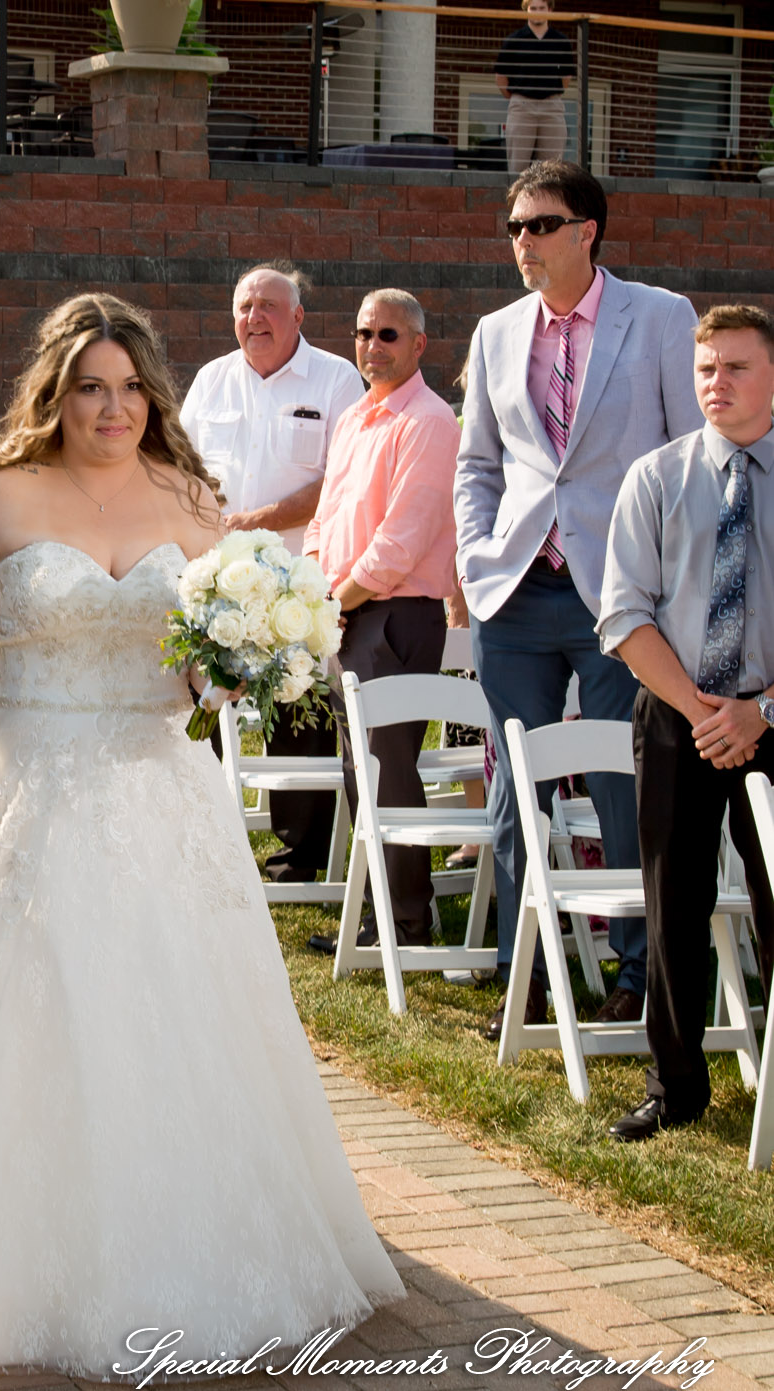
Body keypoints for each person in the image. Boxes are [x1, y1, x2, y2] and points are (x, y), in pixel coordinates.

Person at [0, 293, 405, 1377]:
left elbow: (203, 651)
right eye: (91, 387)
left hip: (161, 792)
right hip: (28, 786)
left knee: (180, 1022)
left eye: (132, 387)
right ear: (56, 393)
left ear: (156, 393)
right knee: (25, 1017)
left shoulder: (192, 499)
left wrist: (246, 656)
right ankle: (8, 1257)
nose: (113, 408)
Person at [454, 160, 699, 1044]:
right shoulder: (494, 331)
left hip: (621, 602)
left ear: (587, 230)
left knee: (620, 782)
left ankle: (637, 975)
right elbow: (478, 463)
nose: (524, 241)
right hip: (515, 593)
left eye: (541, 225)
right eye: (514, 227)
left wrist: (667, 588)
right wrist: (477, 558)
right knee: (516, 796)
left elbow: (688, 457)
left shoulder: (661, 317)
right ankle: (529, 980)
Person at [598, 306, 774, 1142]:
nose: (718, 384)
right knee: (673, 903)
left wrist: (759, 712)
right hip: (678, 714)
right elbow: (625, 617)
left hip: (773, 717)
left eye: (736, 367)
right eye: (707, 370)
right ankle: (676, 1087)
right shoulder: (656, 478)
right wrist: (704, 709)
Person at [180, 261, 366, 886]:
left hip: (300, 584)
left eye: (267, 306)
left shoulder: (337, 380)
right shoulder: (211, 381)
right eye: (244, 307)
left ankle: (299, 855)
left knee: (297, 715)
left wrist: (259, 519)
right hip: (218, 578)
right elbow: (180, 468)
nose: (254, 317)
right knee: (202, 697)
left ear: (297, 317)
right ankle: (200, 831)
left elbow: (343, 480)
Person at [304, 291, 462, 955]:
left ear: (419, 343)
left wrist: (333, 602)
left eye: (388, 335)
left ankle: (408, 925)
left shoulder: (428, 422)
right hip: (344, 610)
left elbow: (400, 541)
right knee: (356, 768)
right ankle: (375, 920)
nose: (372, 346)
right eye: (363, 333)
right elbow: (325, 519)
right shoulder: (353, 420)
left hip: (394, 613)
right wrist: (309, 590)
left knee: (386, 767)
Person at [494, 0, 576, 176]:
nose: (537, 12)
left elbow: (567, 77)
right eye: (533, 8)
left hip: (551, 108)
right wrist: (518, 97)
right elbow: (501, 77)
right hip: (522, 107)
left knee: (552, 171)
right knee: (518, 169)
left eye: (541, 8)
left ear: (550, 10)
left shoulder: (561, 41)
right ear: (526, 10)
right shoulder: (514, 40)